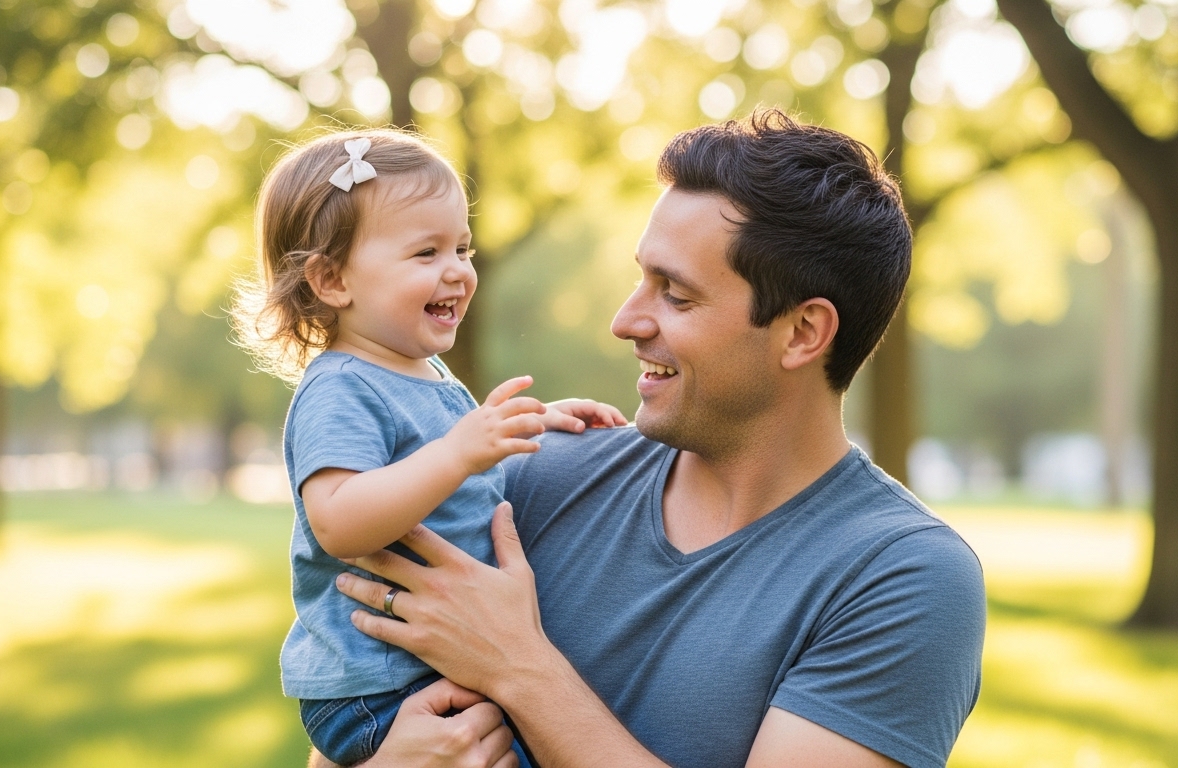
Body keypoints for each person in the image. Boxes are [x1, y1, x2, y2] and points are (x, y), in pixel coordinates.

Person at [327, 110, 986, 768]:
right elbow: (343, 728)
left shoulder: (903, 578)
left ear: (803, 333)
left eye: (676, 295)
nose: (625, 320)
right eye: (642, 278)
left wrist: (519, 667)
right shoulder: (528, 479)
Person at [235, 129, 625, 767]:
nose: (459, 270)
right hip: (377, 683)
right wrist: (458, 452)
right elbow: (338, 520)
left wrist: (532, 422)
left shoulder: (422, 372)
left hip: (428, 659)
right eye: (426, 252)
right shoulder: (341, 386)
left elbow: (452, 469)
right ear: (331, 279)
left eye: (462, 248)